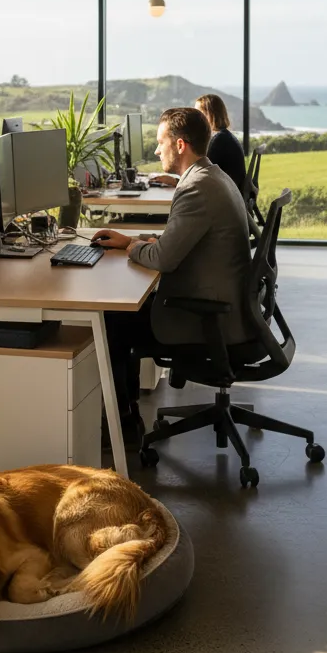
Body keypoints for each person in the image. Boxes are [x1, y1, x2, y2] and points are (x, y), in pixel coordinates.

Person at [93, 107, 254, 445]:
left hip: (208, 319)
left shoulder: (197, 189)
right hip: (227, 305)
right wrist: (135, 242)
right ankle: (128, 414)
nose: (156, 151)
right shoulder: (212, 176)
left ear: (180, 145)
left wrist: (132, 247)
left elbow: (164, 258)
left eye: (160, 142)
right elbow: (178, 244)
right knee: (127, 312)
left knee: (112, 320)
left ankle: (121, 426)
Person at [150, 94, 246, 192]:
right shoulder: (225, 136)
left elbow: (201, 177)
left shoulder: (219, 142)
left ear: (210, 115)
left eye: (198, 112)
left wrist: (175, 181)